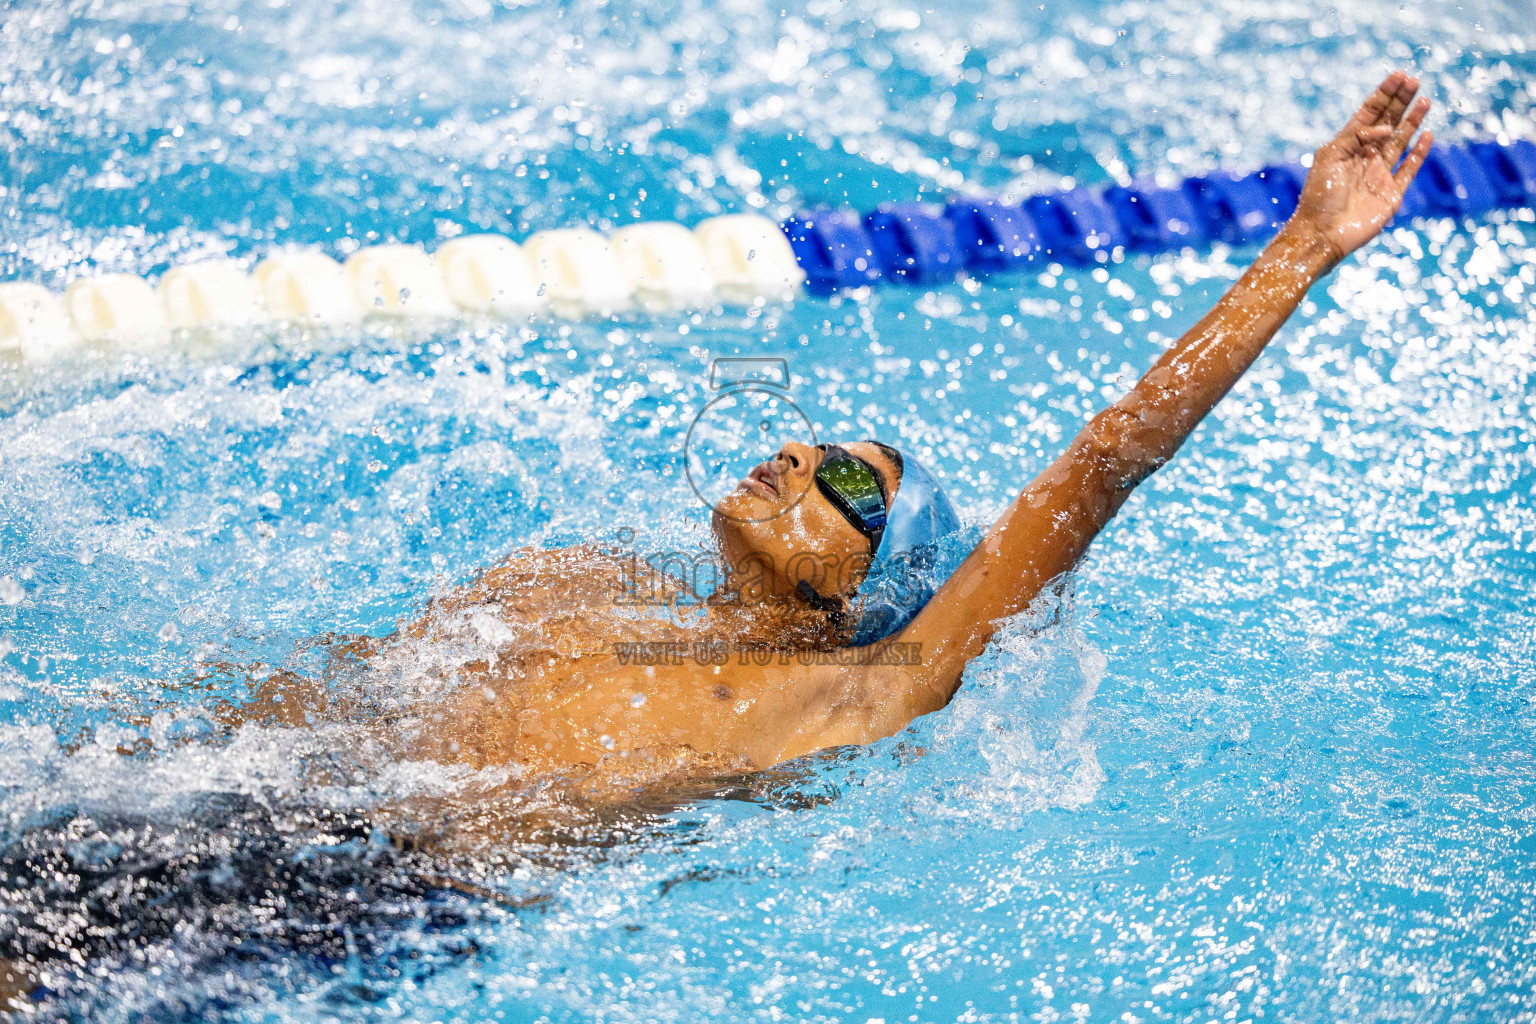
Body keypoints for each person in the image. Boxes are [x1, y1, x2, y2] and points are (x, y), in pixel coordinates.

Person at [237, 73, 1432, 797]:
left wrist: (1304, 244)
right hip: (215, 798)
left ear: (870, 587)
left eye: (850, 477)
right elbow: (307, 696)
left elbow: (1108, 456)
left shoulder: (851, 690)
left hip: (379, 895)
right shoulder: (569, 581)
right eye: (818, 447)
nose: (799, 455)